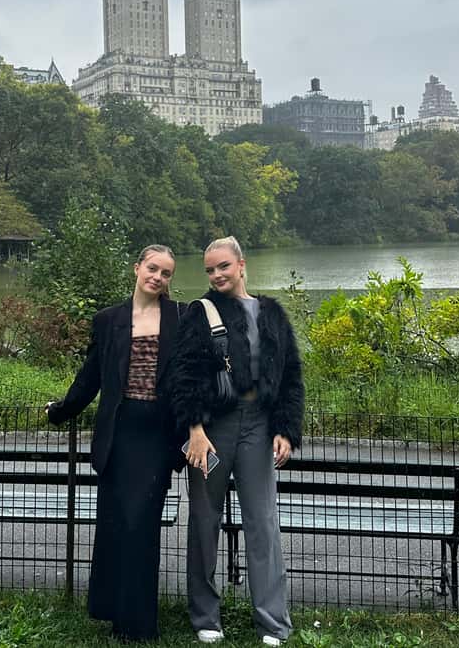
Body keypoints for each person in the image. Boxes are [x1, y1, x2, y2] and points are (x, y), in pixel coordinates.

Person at [167, 236, 304, 647]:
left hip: (260, 427)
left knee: (262, 524)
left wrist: (285, 429)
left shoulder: (272, 313)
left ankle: (273, 622)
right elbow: (184, 374)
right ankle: (205, 615)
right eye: (210, 270)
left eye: (223, 266)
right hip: (212, 428)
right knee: (204, 521)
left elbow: (291, 376)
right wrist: (194, 428)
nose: (216, 275)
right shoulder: (199, 313)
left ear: (241, 265)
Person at [45, 244, 184, 642]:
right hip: (117, 435)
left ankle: (137, 623)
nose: (157, 277)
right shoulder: (109, 320)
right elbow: (91, 376)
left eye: (166, 273)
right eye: (152, 268)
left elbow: (195, 374)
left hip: (157, 437)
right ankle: (111, 608)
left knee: (141, 526)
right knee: (114, 525)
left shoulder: (180, 317)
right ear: (137, 268)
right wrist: (61, 410)